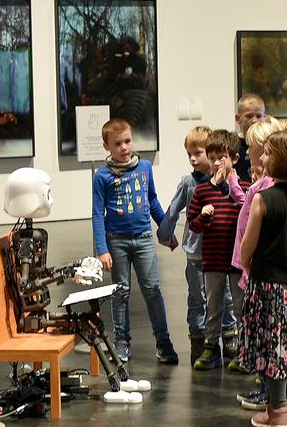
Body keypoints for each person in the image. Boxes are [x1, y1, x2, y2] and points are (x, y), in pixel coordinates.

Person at [239, 129, 287, 427]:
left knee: (275, 348)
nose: (264, 157)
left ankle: (276, 412)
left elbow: (248, 246)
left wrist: (248, 267)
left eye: (269, 153)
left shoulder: (263, 199)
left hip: (270, 286)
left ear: (281, 160)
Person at [92, 118, 177, 364]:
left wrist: (166, 230)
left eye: (127, 141)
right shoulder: (102, 176)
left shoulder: (145, 167)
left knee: (152, 289)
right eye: (117, 143)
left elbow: (152, 201)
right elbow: (98, 213)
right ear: (107, 145)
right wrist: (102, 249)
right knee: (121, 292)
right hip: (116, 241)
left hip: (144, 238)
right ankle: (121, 342)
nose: (124, 147)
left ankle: (163, 341)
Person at [157, 126, 238, 365]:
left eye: (199, 153)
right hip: (196, 253)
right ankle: (199, 341)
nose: (193, 158)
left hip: (221, 251)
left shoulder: (228, 182)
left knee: (225, 297)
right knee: (197, 298)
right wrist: (165, 234)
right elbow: (173, 209)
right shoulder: (188, 182)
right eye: (189, 154)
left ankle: (229, 337)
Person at [230, 116, 287, 408]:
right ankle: (268, 388)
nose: (245, 152)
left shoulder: (267, 187)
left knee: (268, 333)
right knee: (261, 330)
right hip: (252, 268)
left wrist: (248, 263)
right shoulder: (260, 182)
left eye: (251, 146)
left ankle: (271, 393)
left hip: (259, 270)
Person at [187, 129, 248, 369]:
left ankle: (244, 350)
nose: (215, 163)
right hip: (212, 259)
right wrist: (202, 217)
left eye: (220, 157)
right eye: (211, 157)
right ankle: (211, 348)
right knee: (213, 306)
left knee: (240, 306)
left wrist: (232, 189)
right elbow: (193, 225)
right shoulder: (202, 191)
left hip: (236, 261)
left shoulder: (243, 187)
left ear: (234, 158)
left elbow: (248, 214)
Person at [233, 94, 266, 183]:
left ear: (265, 118)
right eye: (249, 116)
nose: (254, 120)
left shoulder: (267, 143)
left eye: (259, 116)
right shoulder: (233, 144)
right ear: (238, 118)